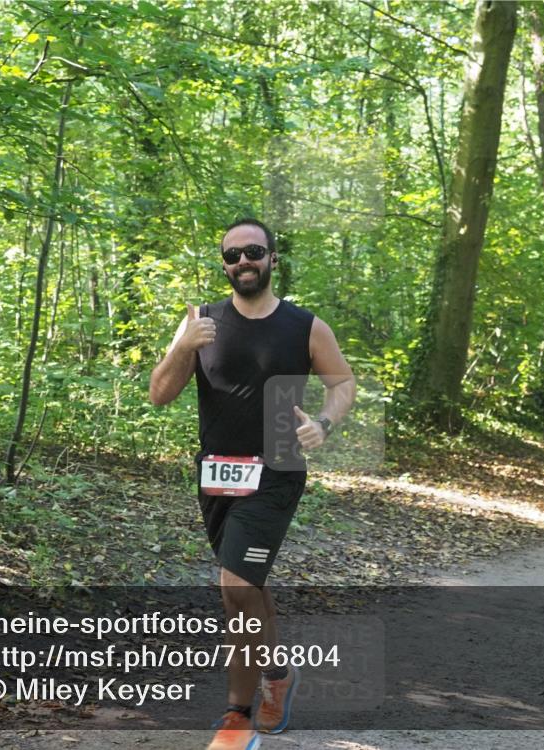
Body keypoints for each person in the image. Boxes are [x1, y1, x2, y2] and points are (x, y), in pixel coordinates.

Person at [149, 218, 355, 750]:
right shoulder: (200, 320)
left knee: (234, 586)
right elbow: (159, 394)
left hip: (278, 471)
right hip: (215, 474)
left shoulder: (304, 326)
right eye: (233, 254)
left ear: (272, 258)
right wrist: (182, 347)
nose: (244, 261)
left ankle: (236, 719)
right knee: (248, 589)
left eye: (254, 252)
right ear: (224, 263)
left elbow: (343, 382)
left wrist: (325, 423)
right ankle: (278, 677)